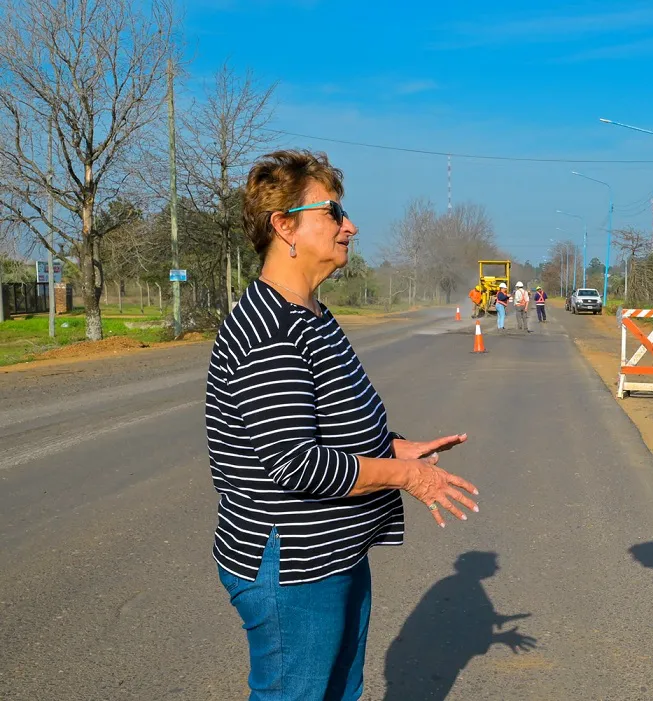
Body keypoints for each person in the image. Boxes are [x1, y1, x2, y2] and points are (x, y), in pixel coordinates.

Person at [205, 149, 480, 701]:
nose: (350, 226)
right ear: (284, 226)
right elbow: (296, 463)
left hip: (332, 551)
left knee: (338, 692)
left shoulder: (311, 314)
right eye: (333, 213)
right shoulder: (270, 331)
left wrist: (396, 447)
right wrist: (409, 479)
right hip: (294, 565)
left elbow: (328, 419)